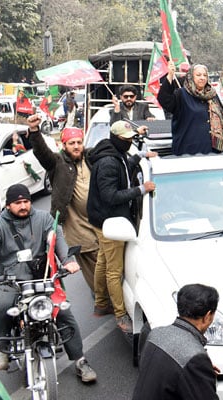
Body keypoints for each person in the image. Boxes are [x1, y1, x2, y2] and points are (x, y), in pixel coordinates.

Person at [0, 184, 97, 382]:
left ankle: (80, 360)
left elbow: (58, 240)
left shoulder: (44, 219)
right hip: (9, 280)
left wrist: (68, 261)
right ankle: (3, 350)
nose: (23, 206)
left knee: (63, 312)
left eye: (26, 201)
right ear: (8, 205)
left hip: (41, 276)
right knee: (1, 310)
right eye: (17, 203)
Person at [87, 120, 156, 333]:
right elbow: (110, 196)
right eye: (126, 140)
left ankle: (100, 302)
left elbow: (125, 165)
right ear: (116, 139)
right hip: (111, 221)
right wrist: (140, 190)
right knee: (114, 270)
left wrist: (140, 157)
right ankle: (119, 313)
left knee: (103, 261)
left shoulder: (115, 154)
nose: (129, 143)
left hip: (102, 218)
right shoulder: (108, 162)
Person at [28, 115, 98, 295]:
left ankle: (104, 295)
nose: (76, 146)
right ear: (64, 145)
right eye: (72, 143)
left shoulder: (89, 158)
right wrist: (35, 132)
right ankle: (102, 299)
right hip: (75, 224)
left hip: (97, 220)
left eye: (79, 142)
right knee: (94, 262)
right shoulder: (58, 162)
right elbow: (42, 153)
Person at [133, 283, 219, 400]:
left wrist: (199, 370)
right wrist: (199, 369)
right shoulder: (195, 359)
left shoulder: (155, 334)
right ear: (207, 316)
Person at [158, 63, 223, 155]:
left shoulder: (212, 95)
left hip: (212, 151)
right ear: (191, 77)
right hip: (188, 151)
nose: (202, 78)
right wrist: (170, 75)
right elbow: (164, 99)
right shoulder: (182, 94)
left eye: (205, 75)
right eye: (198, 75)